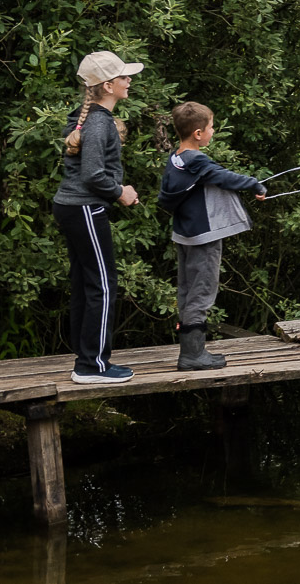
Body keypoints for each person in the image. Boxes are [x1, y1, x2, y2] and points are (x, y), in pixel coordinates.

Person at [53, 50, 144, 384]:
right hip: (84, 208)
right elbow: (92, 174)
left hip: (72, 207)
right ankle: (92, 365)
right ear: (108, 86)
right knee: (104, 286)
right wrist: (120, 191)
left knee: (85, 284)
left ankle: (86, 360)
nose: (129, 81)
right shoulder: (97, 122)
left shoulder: (86, 116)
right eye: (123, 77)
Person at [157, 101, 267, 370]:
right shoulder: (198, 161)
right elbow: (224, 177)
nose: (213, 131)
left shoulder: (176, 158)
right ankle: (193, 355)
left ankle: (190, 352)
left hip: (185, 235)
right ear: (198, 133)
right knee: (202, 292)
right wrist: (256, 184)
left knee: (187, 292)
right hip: (204, 237)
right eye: (211, 127)